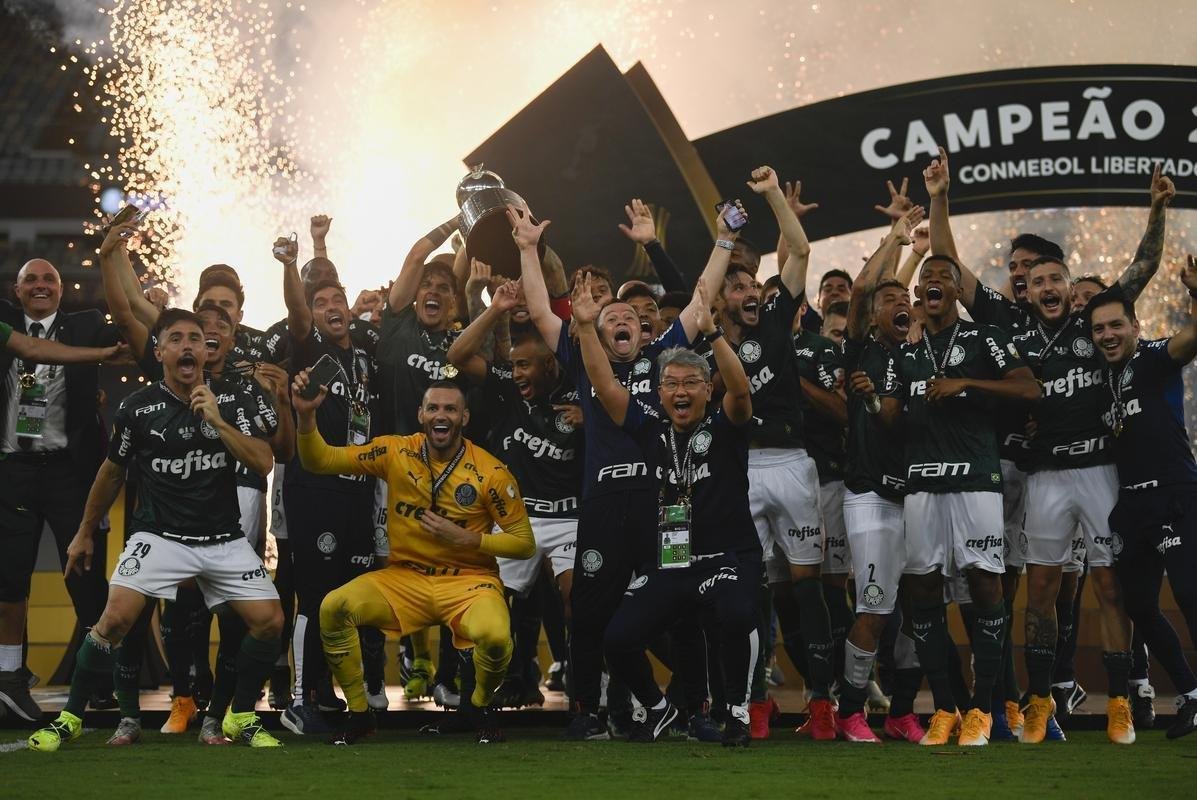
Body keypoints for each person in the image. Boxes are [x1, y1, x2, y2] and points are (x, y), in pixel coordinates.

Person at [514, 198, 731, 740]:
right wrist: (526, 250)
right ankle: (587, 709)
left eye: (629, 317)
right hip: (607, 503)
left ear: (644, 329)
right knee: (590, 609)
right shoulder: (584, 355)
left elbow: (702, 294)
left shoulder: (664, 355)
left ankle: (694, 710)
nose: (619, 321)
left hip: (668, 502)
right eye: (608, 317)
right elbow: (542, 311)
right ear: (596, 329)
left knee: (684, 606)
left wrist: (724, 240)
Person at [28, 309, 284, 751]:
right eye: (177, 338)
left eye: (196, 339)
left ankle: (237, 714)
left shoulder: (231, 397)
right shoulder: (136, 408)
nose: (188, 346)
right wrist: (84, 531)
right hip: (159, 536)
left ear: (206, 351)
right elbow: (111, 473)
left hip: (222, 537)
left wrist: (218, 421)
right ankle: (69, 718)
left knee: (269, 622)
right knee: (114, 619)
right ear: (160, 351)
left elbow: (263, 462)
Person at [294, 378, 535, 744]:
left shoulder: (491, 472)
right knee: (333, 607)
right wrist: (306, 416)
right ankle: (359, 715)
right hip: (405, 579)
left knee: (496, 636)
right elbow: (320, 459)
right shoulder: (395, 451)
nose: (442, 415)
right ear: (421, 414)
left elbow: (524, 543)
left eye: (450, 409)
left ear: (464, 417)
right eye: (434, 408)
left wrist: (470, 538)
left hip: (469, 581)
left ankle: (480, 707)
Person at [574, 274, 760, 746]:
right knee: (616, 639)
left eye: (692, 384)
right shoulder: (649, 429)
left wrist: (715, 336)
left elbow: (740, 391)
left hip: (725, 558)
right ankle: (660, 709)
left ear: (706, 390)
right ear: (658, 394)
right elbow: (605, 385)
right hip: (674, 560)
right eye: (671, 384)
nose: (681, 392)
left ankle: (736, 712)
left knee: (735, 616)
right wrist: (581, 327)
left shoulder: (726, 426)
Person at [895, 245, 1041, 746]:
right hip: (921, 483)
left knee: (984, 585)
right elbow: (890, 416)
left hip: (977, 479)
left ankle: (983, 709)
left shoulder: (987, 337)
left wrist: (966, 385)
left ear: (957, 291)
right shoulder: (906, 354)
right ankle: (944, 709)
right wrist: (872, 398)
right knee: (922, 591)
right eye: (926, 275)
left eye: (944, 274)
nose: (933, 279)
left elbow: (1029, 389)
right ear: (918, 294)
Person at [711, 167, 837, 739]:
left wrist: (767, 195)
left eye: (755, 289)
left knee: (807, 584)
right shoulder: (710, 343)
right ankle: (755, 699)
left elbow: (802, 248)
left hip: (790, 461)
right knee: (755, 588)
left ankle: (821, 701)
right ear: (722, 300)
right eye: (737, 289)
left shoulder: (777, 326)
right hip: (741, 470)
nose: (751, 295)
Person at [447, 279, 582, 709]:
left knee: (577, 601)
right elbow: (458, 355)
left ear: (551, 365)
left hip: (570, 519)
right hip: (516, 520)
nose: (518, 372)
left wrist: (590, 419)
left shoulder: (582, 390)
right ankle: (481, 693)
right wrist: (495, 309)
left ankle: (587, 695)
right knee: (486, 606)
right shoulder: (506, 383)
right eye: (515, 365)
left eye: (526, 365)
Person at [0, 257, 124, 721]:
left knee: (86, 577)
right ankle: (11, 676)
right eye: (29, 278)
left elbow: (129, 340)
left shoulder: (86, 324)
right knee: (10, 576)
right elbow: (29, 352)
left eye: (48, 278)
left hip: (72, 472)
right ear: (16, 291)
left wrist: (151, 306)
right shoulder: (7, 324)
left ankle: (98, 679)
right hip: (14, 466)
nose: (39, 285)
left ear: (62, 289)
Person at [274, 234, 383, 734]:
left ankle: (325, 688)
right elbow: (295, 311)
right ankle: (299, 698)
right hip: (314, 486)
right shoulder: (306, 347)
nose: (331, 307)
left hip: (358, 487)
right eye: (321, 303)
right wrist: (295, 264)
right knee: (314, 593)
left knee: (343, 595)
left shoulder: (364, 354)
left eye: (338, 300)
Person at [1091, 259, 1197, 740]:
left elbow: (1192, 338)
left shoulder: (1153, 355)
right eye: (1099, 329)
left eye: (1117, 325)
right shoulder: (1103, 379)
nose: (1108, 335)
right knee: (1138, 604)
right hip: (1131, 507)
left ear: (1136, 326)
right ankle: (1191, 696)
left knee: (1191, 595)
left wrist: (1196, 292)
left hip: (1176, 495)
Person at [834, 211, 928, 744]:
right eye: (886, 300)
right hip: (871, 497)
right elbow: (866, 284)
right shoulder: (861, 349)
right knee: (873, 605)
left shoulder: (924, 353)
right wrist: (896, 239)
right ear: (869, 318)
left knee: (920, 608)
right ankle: (851, 710)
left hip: (922, 496)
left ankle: (902, 711)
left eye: (903, 298)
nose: (897, 302)